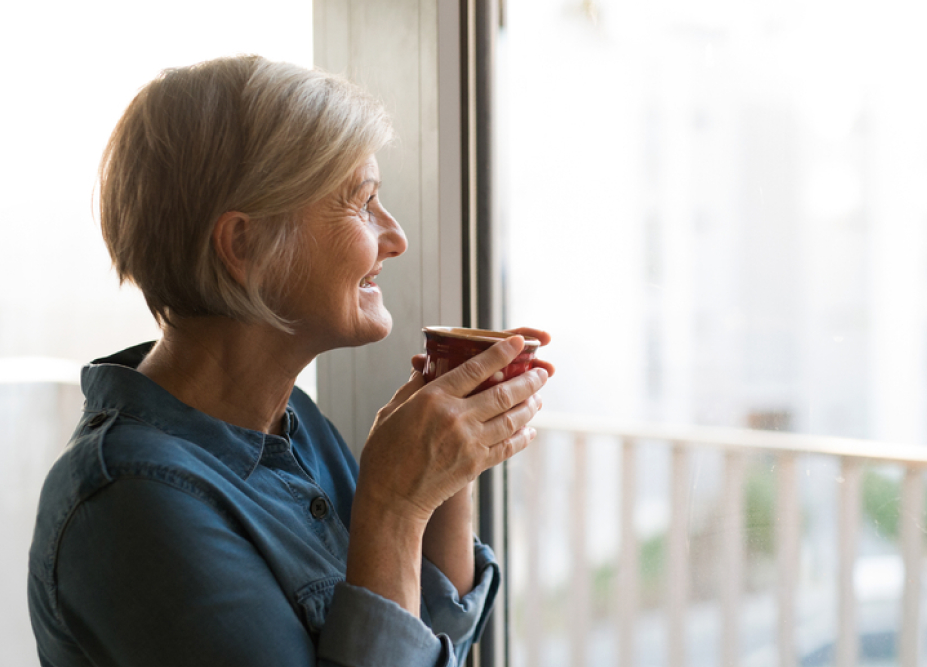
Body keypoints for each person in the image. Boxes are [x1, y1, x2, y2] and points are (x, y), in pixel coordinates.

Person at [27, 55, 551, 667]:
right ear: (244, 246)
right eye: (362, 202)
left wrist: (445, 470)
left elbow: (428, 642)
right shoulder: (129, 505)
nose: (396, 236)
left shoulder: (294, 426)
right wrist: (395, 510)